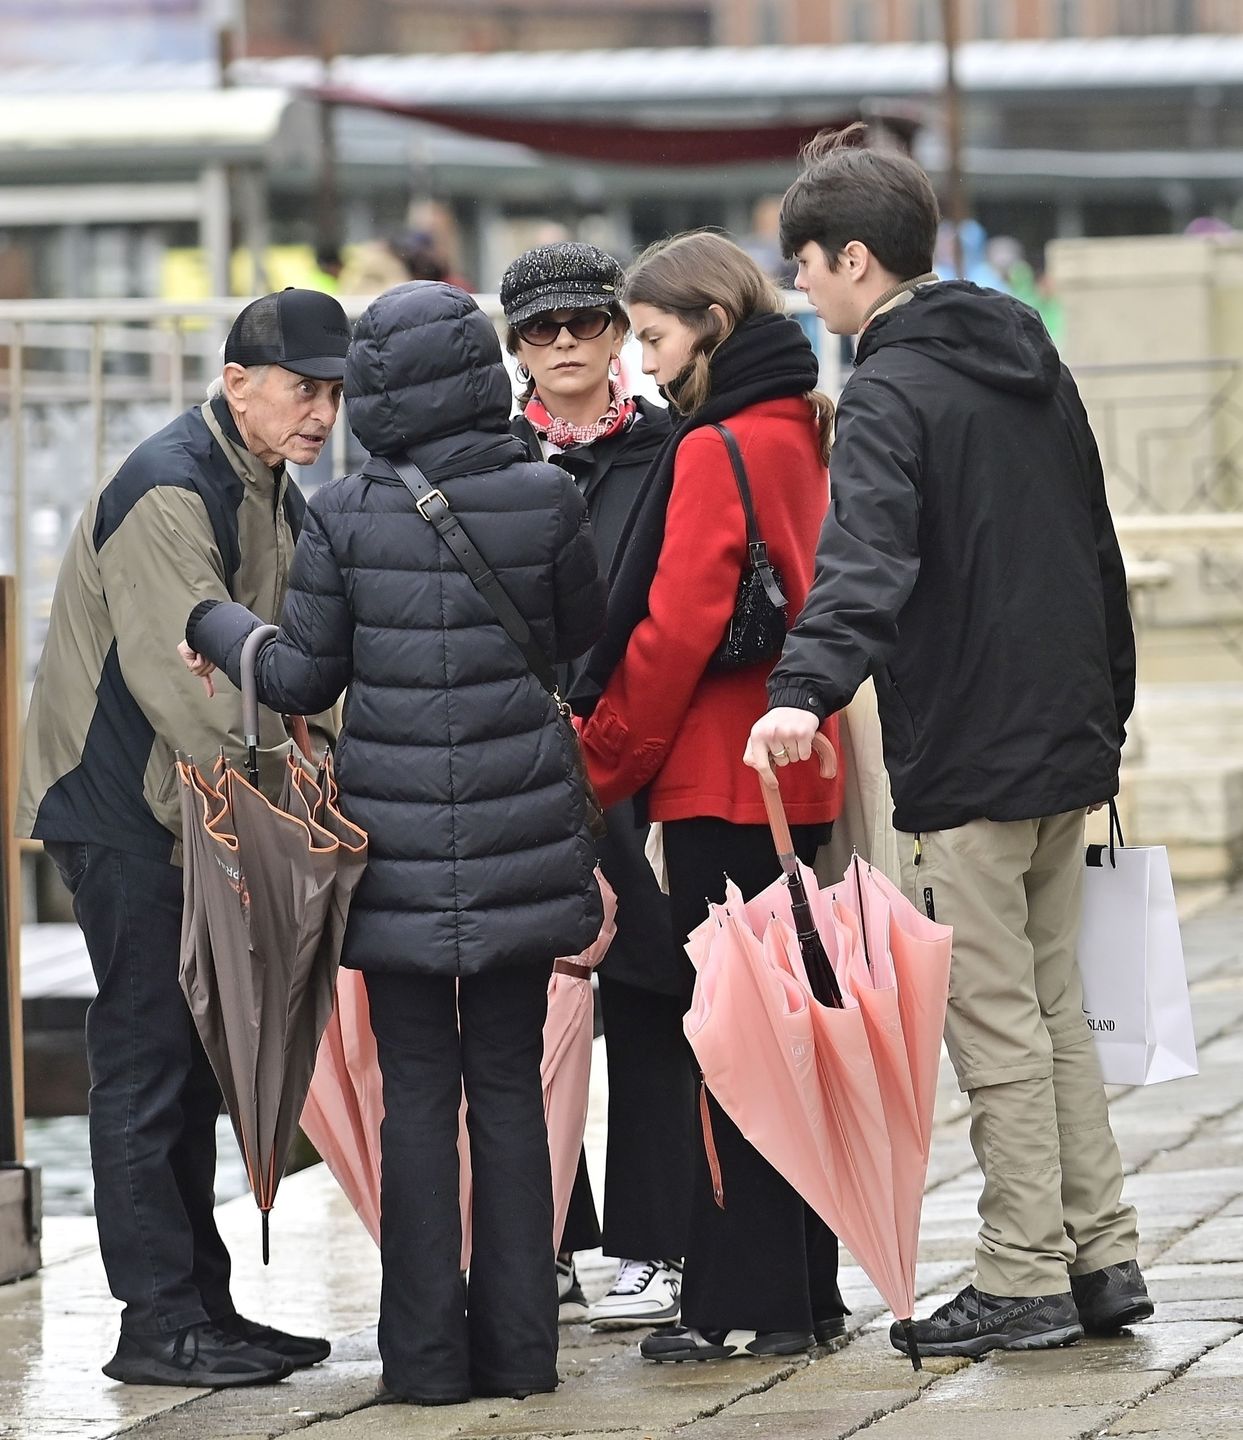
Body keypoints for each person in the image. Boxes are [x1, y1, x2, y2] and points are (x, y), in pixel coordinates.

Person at [746, 128, 1151, 1359]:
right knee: (1051, 1007)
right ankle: (1101, 1254)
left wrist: (800, 691)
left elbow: (867, 560)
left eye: (804, 265)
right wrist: (1109, 716)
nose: (799, 289)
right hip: (1060, 737)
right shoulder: (1031, 358)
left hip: (967, 749)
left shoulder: (887, 386)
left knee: (996, 1027)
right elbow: (1098, 548)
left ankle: (1020, 1273)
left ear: (855, 260)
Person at [181, 280, 608, 1404]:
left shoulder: (348, 513)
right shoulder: (548, 496)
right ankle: (523, 1355)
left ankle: (423, 1363)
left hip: (400, 849)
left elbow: (298, 677)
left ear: (374, 384)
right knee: (509, 1088)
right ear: (480, 369)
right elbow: (583, 648)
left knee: (414, 1094)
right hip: (523, 832)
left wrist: (212, 622)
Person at [17, 287, 351, 1387]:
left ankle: (203, 1306)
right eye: (305, 388)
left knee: (197, 1067)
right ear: (239, 382)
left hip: (196, 813)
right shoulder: (172, 486)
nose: (323, 411)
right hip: (128, 812)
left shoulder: (265, 478)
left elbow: (293, 656)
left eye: (336, 390)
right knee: (147, 1059)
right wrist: (291, 811)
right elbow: (190, 695)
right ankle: (153, 1324)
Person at [575, 232, 848, 1363]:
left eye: (649, 335)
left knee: (723, 1042)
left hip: (714, 778)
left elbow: (676, 631)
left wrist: (596, 763)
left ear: (710, 326)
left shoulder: (712, 448)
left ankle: (737, 1300)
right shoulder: (802, 428)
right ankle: (803, 1289)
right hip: (806, 765)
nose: (636, 362)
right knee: (791, 1030)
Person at [500, 241, 690, 1331]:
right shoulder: (483, 459)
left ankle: (655, 1243)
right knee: (536, 1000)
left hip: (641, 754)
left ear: (619, 330)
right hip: (527, 758)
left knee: (654, 990)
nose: (565, 343)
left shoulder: (671, 448)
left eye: (584, 321)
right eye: (541, 328)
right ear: (516, 347)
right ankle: (554, 1235)